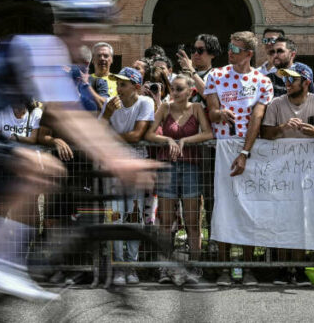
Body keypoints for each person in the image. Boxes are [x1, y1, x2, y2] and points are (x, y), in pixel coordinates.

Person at [0, 0, 158, 300]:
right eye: (87, 28)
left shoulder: (55, 55)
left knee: (35, 176)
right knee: (37, 169)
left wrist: (114, 156)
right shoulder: (42, 49)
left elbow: (72, 115)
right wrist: (120, 159)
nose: (90, 37)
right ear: (67, 27)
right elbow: (63, 114)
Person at [203, 31, 274, 286]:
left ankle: (246, 267)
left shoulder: (262, 81)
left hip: (249, 148)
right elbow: (211, 112)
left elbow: (257, 117)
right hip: (221, 147)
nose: (230, 51)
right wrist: (219, 113)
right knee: (222, 207)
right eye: (229, 46)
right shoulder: (216, 75)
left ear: (248, 54)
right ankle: (223, 267)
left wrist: (245, 152)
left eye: (235, 47)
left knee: (248, 207)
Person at [261, 65, 314, 287]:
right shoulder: (276, 103)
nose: (287, 83)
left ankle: (300, 267)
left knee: (304, 218)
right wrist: (282, 127)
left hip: (310, 172)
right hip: (282, 172)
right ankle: (283, 268)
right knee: (283, 217)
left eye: (293, 79)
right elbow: (266, 133)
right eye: (286, 79)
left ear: (305, 82)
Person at [144, 74, 212, 285]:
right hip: (167, 168)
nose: (174, 92)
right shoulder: (164, 108)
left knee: (192, 222)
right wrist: (167, 139)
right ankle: (165, 268)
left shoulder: (197, 108)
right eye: (172, 88)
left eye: (179, 89)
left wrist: (184, 140)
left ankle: (194, 268)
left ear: (190, 91)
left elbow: (208, 134)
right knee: (165, 222)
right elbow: (149, 134)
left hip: (190, 167)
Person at [99, 67, 155, 286]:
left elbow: (136, 135)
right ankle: (118, 267)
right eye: (117, 84)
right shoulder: (109, 105)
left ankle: (131, 266)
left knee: (133, 217)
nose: (118, 88)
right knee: (114, 218)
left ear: (136, 87)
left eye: (123, 84)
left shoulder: (145, 103)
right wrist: (107, 115)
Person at [175, 34, 220, 102]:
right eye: (193, 50)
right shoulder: (185, 76)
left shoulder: (218, 75)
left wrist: (190, 69)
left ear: (212, 54)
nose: (196, 53)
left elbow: (210, 98)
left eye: (200, 50)